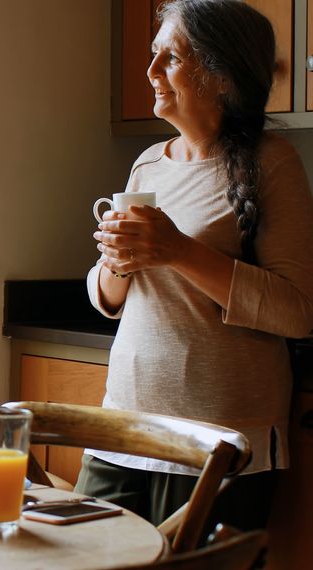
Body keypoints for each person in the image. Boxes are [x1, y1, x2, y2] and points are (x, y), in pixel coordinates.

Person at [80, 0, 313, 534]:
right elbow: (111, 298)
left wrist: (179, 250)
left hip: (222, 438)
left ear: (221, 75)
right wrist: (117, 262)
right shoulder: (147, 164)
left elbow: (297, 312)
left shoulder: (273, 164)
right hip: (125, 423)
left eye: (171, 57)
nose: (151, 71)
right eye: (152, 54)